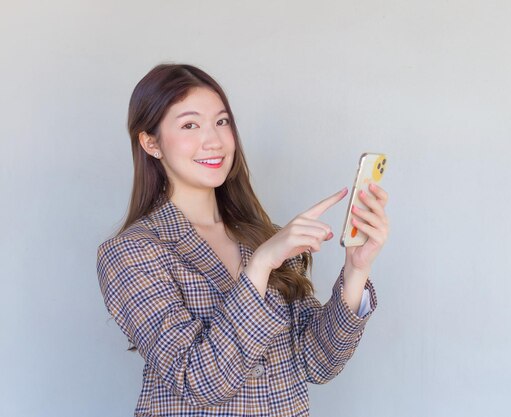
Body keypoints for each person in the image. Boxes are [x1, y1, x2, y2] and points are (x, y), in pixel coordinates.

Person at [96, 63, 389, 417]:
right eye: (190, 125)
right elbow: (199, 381)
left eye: (222, 122)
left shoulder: (261, 236)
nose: (214, 140)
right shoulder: (132, 251)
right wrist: (260, 266)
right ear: (151, 142)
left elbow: (318, 363)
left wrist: (356, 269)